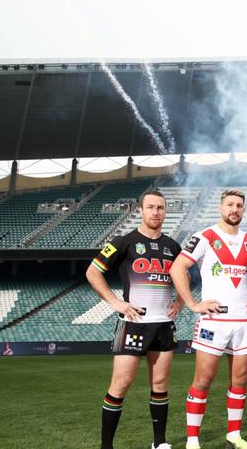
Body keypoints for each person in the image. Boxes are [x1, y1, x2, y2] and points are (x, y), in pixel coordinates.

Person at [169, 189, 247, 449]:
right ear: (221, 208)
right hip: (214, 321)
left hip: (243, 321)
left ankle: (234, 436)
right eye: (230, 205)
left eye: (239, 205)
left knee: (241, 379)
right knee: (203, 379)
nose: (234, 209)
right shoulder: (204, 237)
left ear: (244, 210)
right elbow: (177, 267)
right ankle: (192, 440)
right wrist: (192, 303)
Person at [86, 189, 182, 449]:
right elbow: (93, 272)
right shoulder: (123, 241)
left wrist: (181, 301)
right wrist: (116, 302)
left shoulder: (173, 247)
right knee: (121, 383)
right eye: (150, 207)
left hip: (163, 324)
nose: (155, 212)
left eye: (160, 207)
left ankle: (159, 442)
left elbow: (186, 278)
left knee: (160, 384)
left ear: (165, 211)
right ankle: (107, 446)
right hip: (134, 323)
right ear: (140, 210)